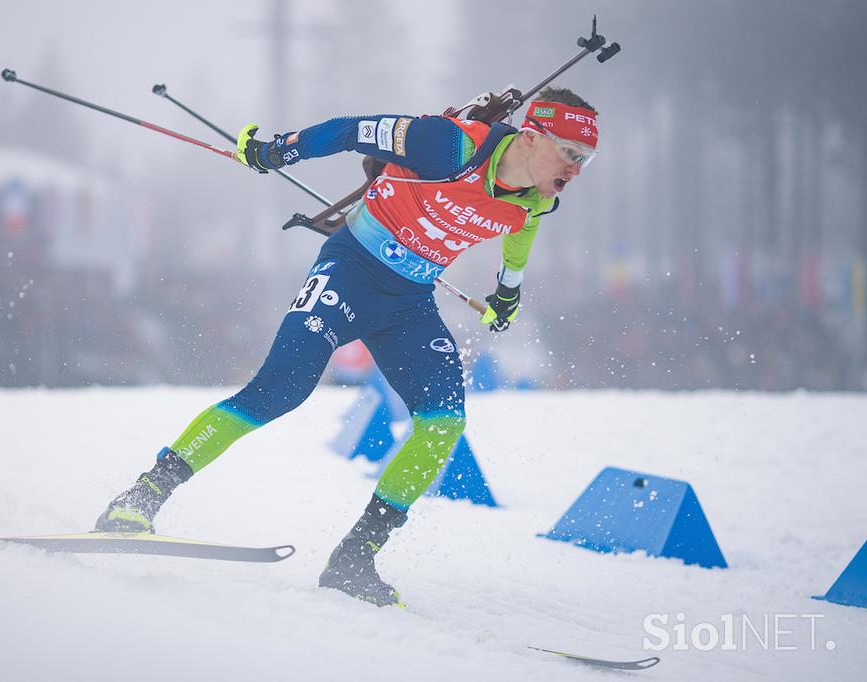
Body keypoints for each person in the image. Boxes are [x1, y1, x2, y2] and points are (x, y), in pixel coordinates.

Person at [96, 86, 600, 607]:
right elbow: (349, 129)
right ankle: (140, 497)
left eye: (585, 159)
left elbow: (520, 235)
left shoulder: (538, 198)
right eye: (571, 153)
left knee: (443, 423)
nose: (577, 169)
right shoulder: (448, 145)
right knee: (278, 391)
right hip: (351, 270)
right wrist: (276, 150)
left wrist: (507, 291)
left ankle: (355, 559)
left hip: (410, 302)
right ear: (535, 136)